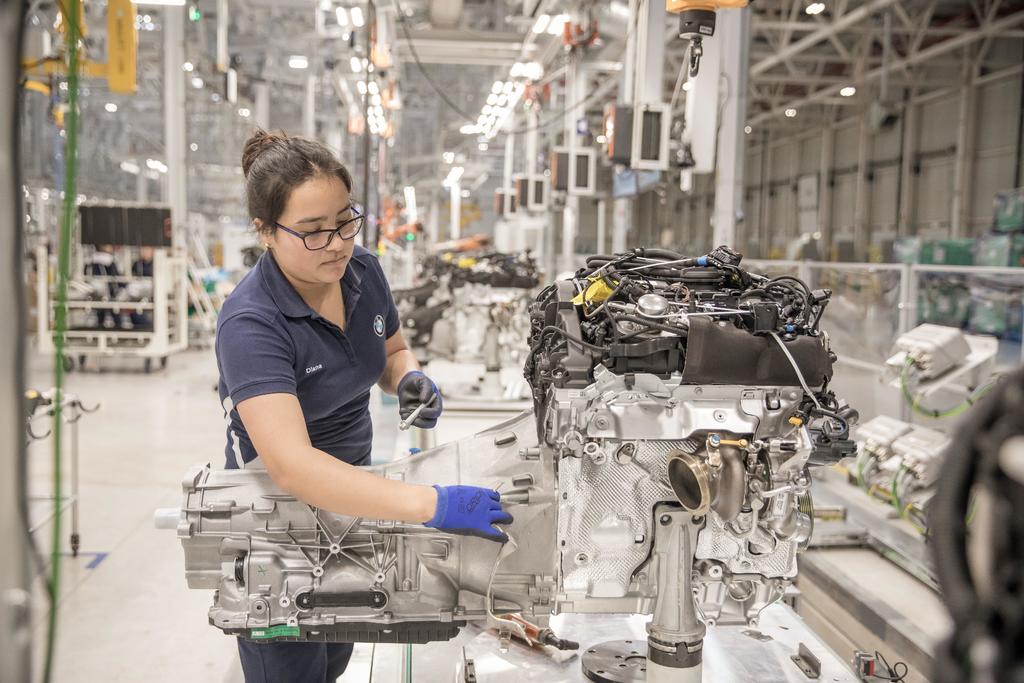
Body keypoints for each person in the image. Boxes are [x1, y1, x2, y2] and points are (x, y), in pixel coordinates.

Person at [215, 129, 513, 683]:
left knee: (334, 657)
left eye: (345, 221)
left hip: (355, 500)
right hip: (278, 523)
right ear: (265, 231)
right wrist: (431, 503)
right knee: (291, 666)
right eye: (312, 231)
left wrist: (408, 378)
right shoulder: (251, 322)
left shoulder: (362, 271)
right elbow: (293, 467)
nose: (336, 244)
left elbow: (391, 350)